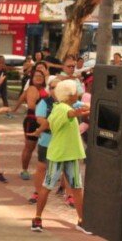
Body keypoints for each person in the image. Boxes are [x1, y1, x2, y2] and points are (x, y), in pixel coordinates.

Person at [31, 80, 92, 235]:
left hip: (69, 154)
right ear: (70, 94)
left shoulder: (61, 106)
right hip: (59, 155)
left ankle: (81, 219)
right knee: (48, 187)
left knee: (76, 188)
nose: (77, 94)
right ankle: (37, 218)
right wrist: (78, 112)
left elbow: (79, 110)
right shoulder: (63, 108)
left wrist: (84, 110)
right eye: (75, 92)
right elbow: (70, 113)